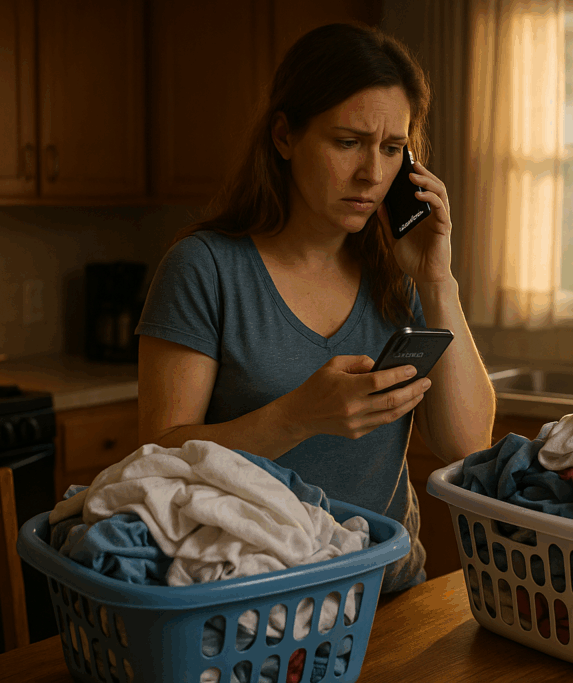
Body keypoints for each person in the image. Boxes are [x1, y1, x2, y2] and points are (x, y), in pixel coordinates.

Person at [135, 22, 495, 593]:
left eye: (393, 148)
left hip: (389, 592)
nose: (372, 174)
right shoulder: (204, 267)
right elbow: (156, 459)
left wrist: (437, 279)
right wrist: (297, 417)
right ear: (284, 136)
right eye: (347, 142)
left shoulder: (400, 277)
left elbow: (467, 445)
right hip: (256, 599)